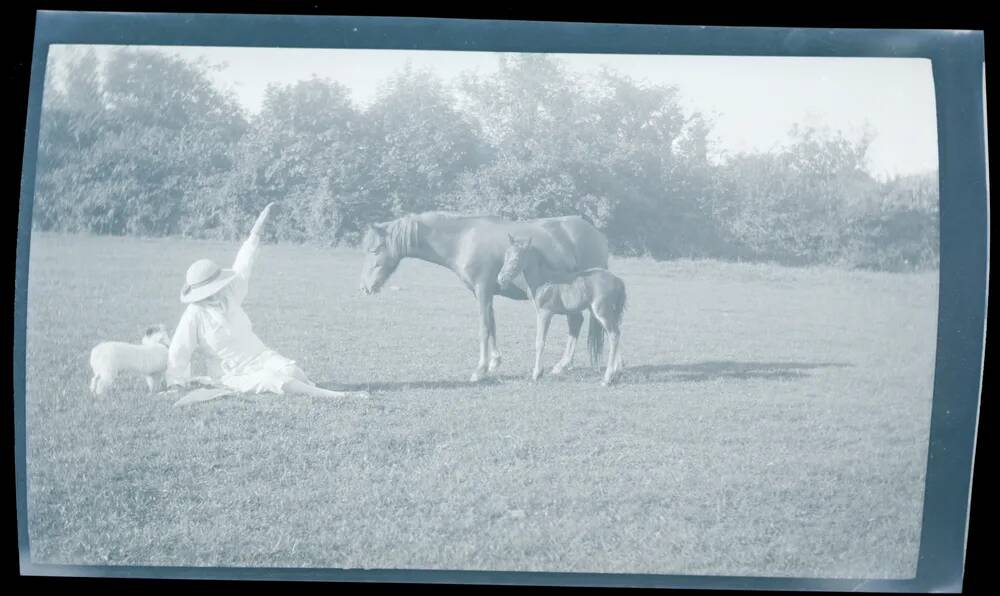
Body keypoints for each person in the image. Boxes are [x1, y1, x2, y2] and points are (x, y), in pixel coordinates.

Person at [165, 203, 368, 399]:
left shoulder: (229, 294)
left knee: (291, 370)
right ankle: (337, 396)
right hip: (231, 374)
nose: (216, 293)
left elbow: (243, 265)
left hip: (261, 356)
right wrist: (176, 382)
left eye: (216, 287)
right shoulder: (194, 314)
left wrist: (256, 231)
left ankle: (311, 388)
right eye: (211, 291)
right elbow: (179, 349)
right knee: (273, 380)